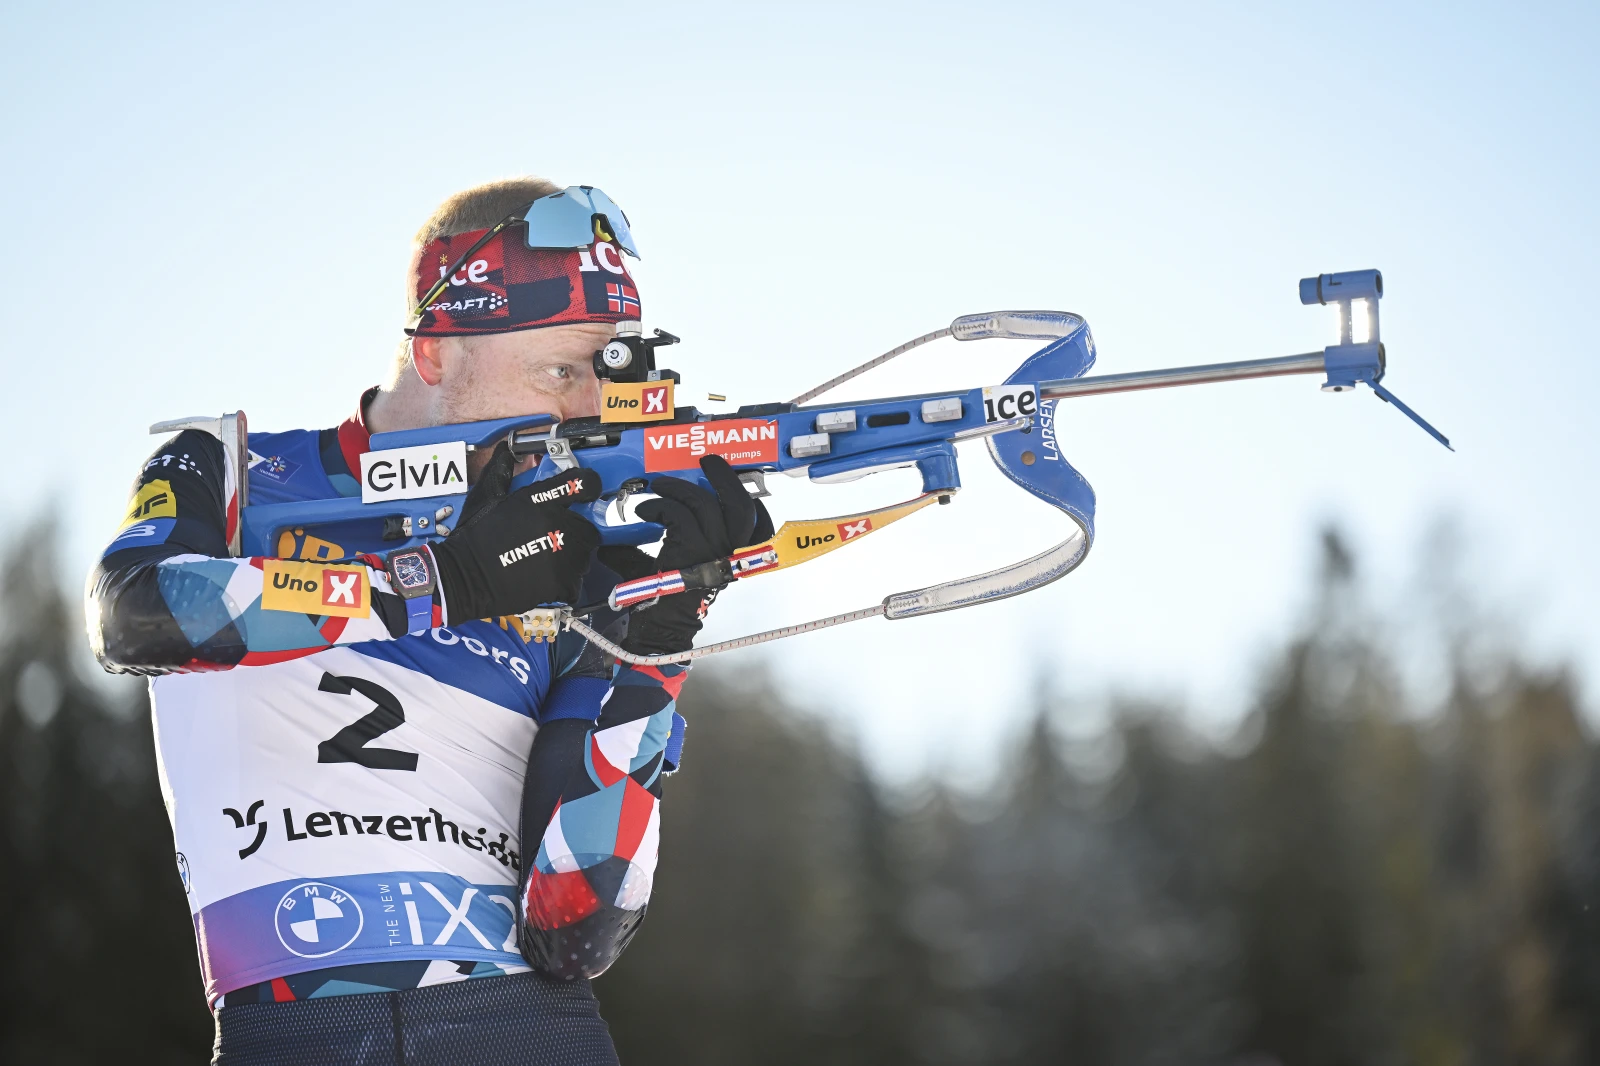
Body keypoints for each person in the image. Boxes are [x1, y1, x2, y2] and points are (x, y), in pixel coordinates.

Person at [87, 177, 770, 1065]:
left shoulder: (572, 552)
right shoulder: (235, 473)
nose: (587, 410)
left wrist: (658, 641)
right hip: (294, 1025)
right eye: (562, 370)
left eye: (604, 376)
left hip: (527, 1029)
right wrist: (434, 584)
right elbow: (136, 615)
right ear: (440, 351)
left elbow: (576, 925)